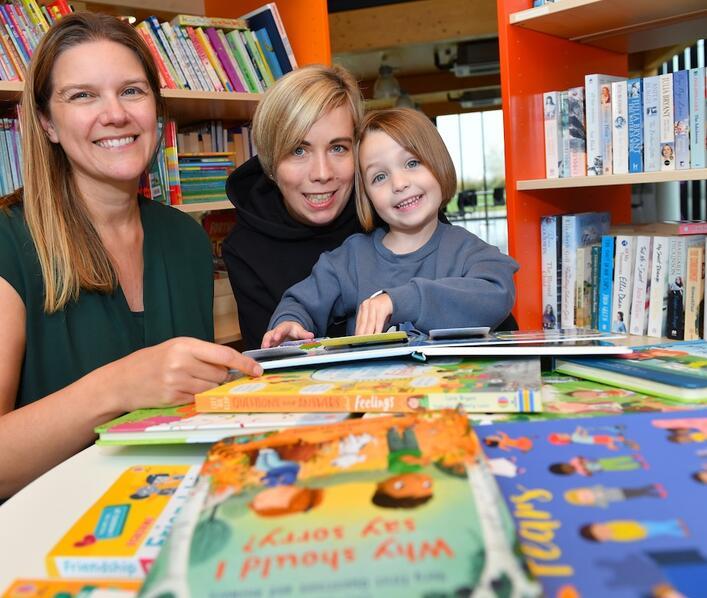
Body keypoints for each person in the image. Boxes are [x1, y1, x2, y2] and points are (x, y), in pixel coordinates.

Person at [0, 13, 261, 498]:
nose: (115, 113)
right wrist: (119, 387)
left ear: (156, 111)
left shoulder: (186, 239)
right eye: (82, 95)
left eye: (132, 91)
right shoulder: (7, 242)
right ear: (46, 123)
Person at [262, 107, 518, 347]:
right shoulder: (349, 261)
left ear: (438, 164)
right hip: (372, 393)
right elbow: (301, 302)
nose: (399, 183)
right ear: (367, 197)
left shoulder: (468, 251)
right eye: (379, 177)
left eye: (412, 163)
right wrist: (290, 323)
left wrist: (401, 301)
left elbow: (497, 294)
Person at [221, 64, 365, 350]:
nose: (322, 173)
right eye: (299, 150)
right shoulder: (246, 248)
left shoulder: (394, 209)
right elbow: (270, 365)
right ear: (271, 164)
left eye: (338, 148)